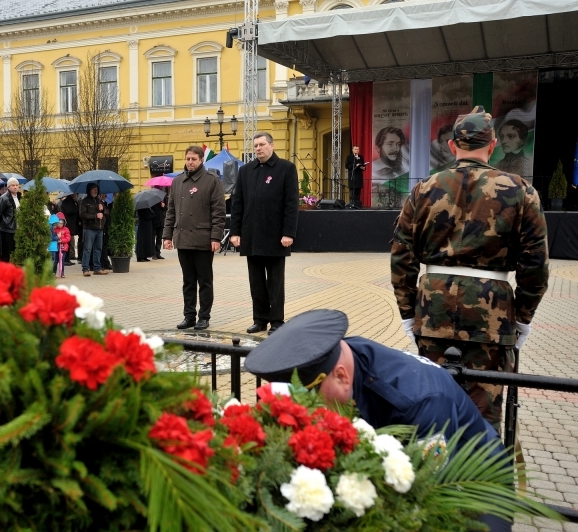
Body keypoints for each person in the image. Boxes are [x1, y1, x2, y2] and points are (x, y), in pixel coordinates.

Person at [244, 309, 512, 532]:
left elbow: (426, 494)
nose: (309, 409)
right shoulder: (343, 354)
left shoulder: (418, 402)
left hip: (474, 486)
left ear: (340, 376)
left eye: (312, 396)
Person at [391, 106, 549, 430]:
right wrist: (523, 317)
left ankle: (434, 475)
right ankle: (479, 475)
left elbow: (402, 255)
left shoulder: (423, 190)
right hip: (491, 315)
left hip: (433, 310)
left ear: (452, 146)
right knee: (483, 409)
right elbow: (536, 264)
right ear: (492, 146)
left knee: (433, 402)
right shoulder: (521, 191)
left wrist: (408, 313)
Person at [229, 132, 299, 335]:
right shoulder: (246, 171)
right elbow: (238, 204)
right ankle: (259, 319)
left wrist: (289, 233)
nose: (258, 148)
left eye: (262, 144)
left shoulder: (286, 168)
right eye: (256, 146)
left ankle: (276, 320)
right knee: (256, 282)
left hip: (277, 237)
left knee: (275, 282)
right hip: (252, 236)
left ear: (271, 145)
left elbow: (291, 204)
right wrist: (235, 232)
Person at [163, 145, 226, 330]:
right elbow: (171, 211)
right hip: (182, 239)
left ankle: (204, 316)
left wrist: (216, 238)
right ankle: (189, 315)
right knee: (188, 281)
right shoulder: (178, 182)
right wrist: (167, 236)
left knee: (204, 281)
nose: (190, 162)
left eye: (194, 159)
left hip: (203, 240)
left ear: (201, 161)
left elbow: (219, 212)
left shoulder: (212, 181)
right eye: (188, 159)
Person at [78, 183, 109, 277]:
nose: (95, 191)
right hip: (89, 229)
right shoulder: (85, 201)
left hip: (99, 228)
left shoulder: (99, 201)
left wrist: (103, 209)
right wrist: (95, 216)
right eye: (93, 189)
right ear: (89, 190)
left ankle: (97, 268)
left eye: (96, 189)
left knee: (98, 249)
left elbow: (107, 212)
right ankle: (85, 269)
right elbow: (82, 215)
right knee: (87, 249)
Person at [0, 178, 21, 263]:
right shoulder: (3, 198)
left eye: (16, 185)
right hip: (6, 231)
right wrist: (1, 226)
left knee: (14, 255)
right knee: (6, 255)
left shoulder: (18, 197)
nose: (15, 187)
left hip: (16, 229)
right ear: (8, 187)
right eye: (13, 185)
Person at [60, 192, 81, 265]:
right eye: (76, 194)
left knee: (69, 242)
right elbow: (70, 211)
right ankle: (65, 259)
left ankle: (67, 258)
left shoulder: (72, 201)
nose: (76, 196)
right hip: (68, 224)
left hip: (71, 224)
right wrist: (77, 208)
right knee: (67, 242)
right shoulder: (67, 201)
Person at [152, 190, 167, 259]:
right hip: (154, 221)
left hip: (161, 221)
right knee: (153, 238)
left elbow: (166, 208)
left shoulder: (163, 197)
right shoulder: (152, 198)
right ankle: (153, 254)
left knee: (159, 238)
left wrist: (163, 206)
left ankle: (158, 253)